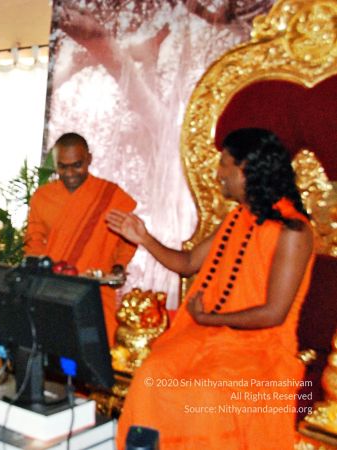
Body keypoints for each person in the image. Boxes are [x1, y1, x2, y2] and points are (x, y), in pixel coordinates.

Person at [106, 128, 314, 449]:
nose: (218, 174)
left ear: (245, 168)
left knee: (205, 393)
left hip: (260, 348)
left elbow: (274, 314)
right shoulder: (237, 218)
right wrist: (144, 238)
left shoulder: (293, 231)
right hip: (206, 335)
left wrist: (208, 319)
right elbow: (189, 262)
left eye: (223, 164)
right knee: (151, 374)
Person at [25, 132, 137, 346]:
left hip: (95, 292)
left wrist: (119, 266)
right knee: (55, 352)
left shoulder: (110, 195)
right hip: (53, 291)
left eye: (77, 165)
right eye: (62, 167)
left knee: (95, 353)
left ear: (89, 159)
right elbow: (34, 240)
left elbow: (128, 239)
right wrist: (39, 272)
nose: (69, 174)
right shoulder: (42, 197)